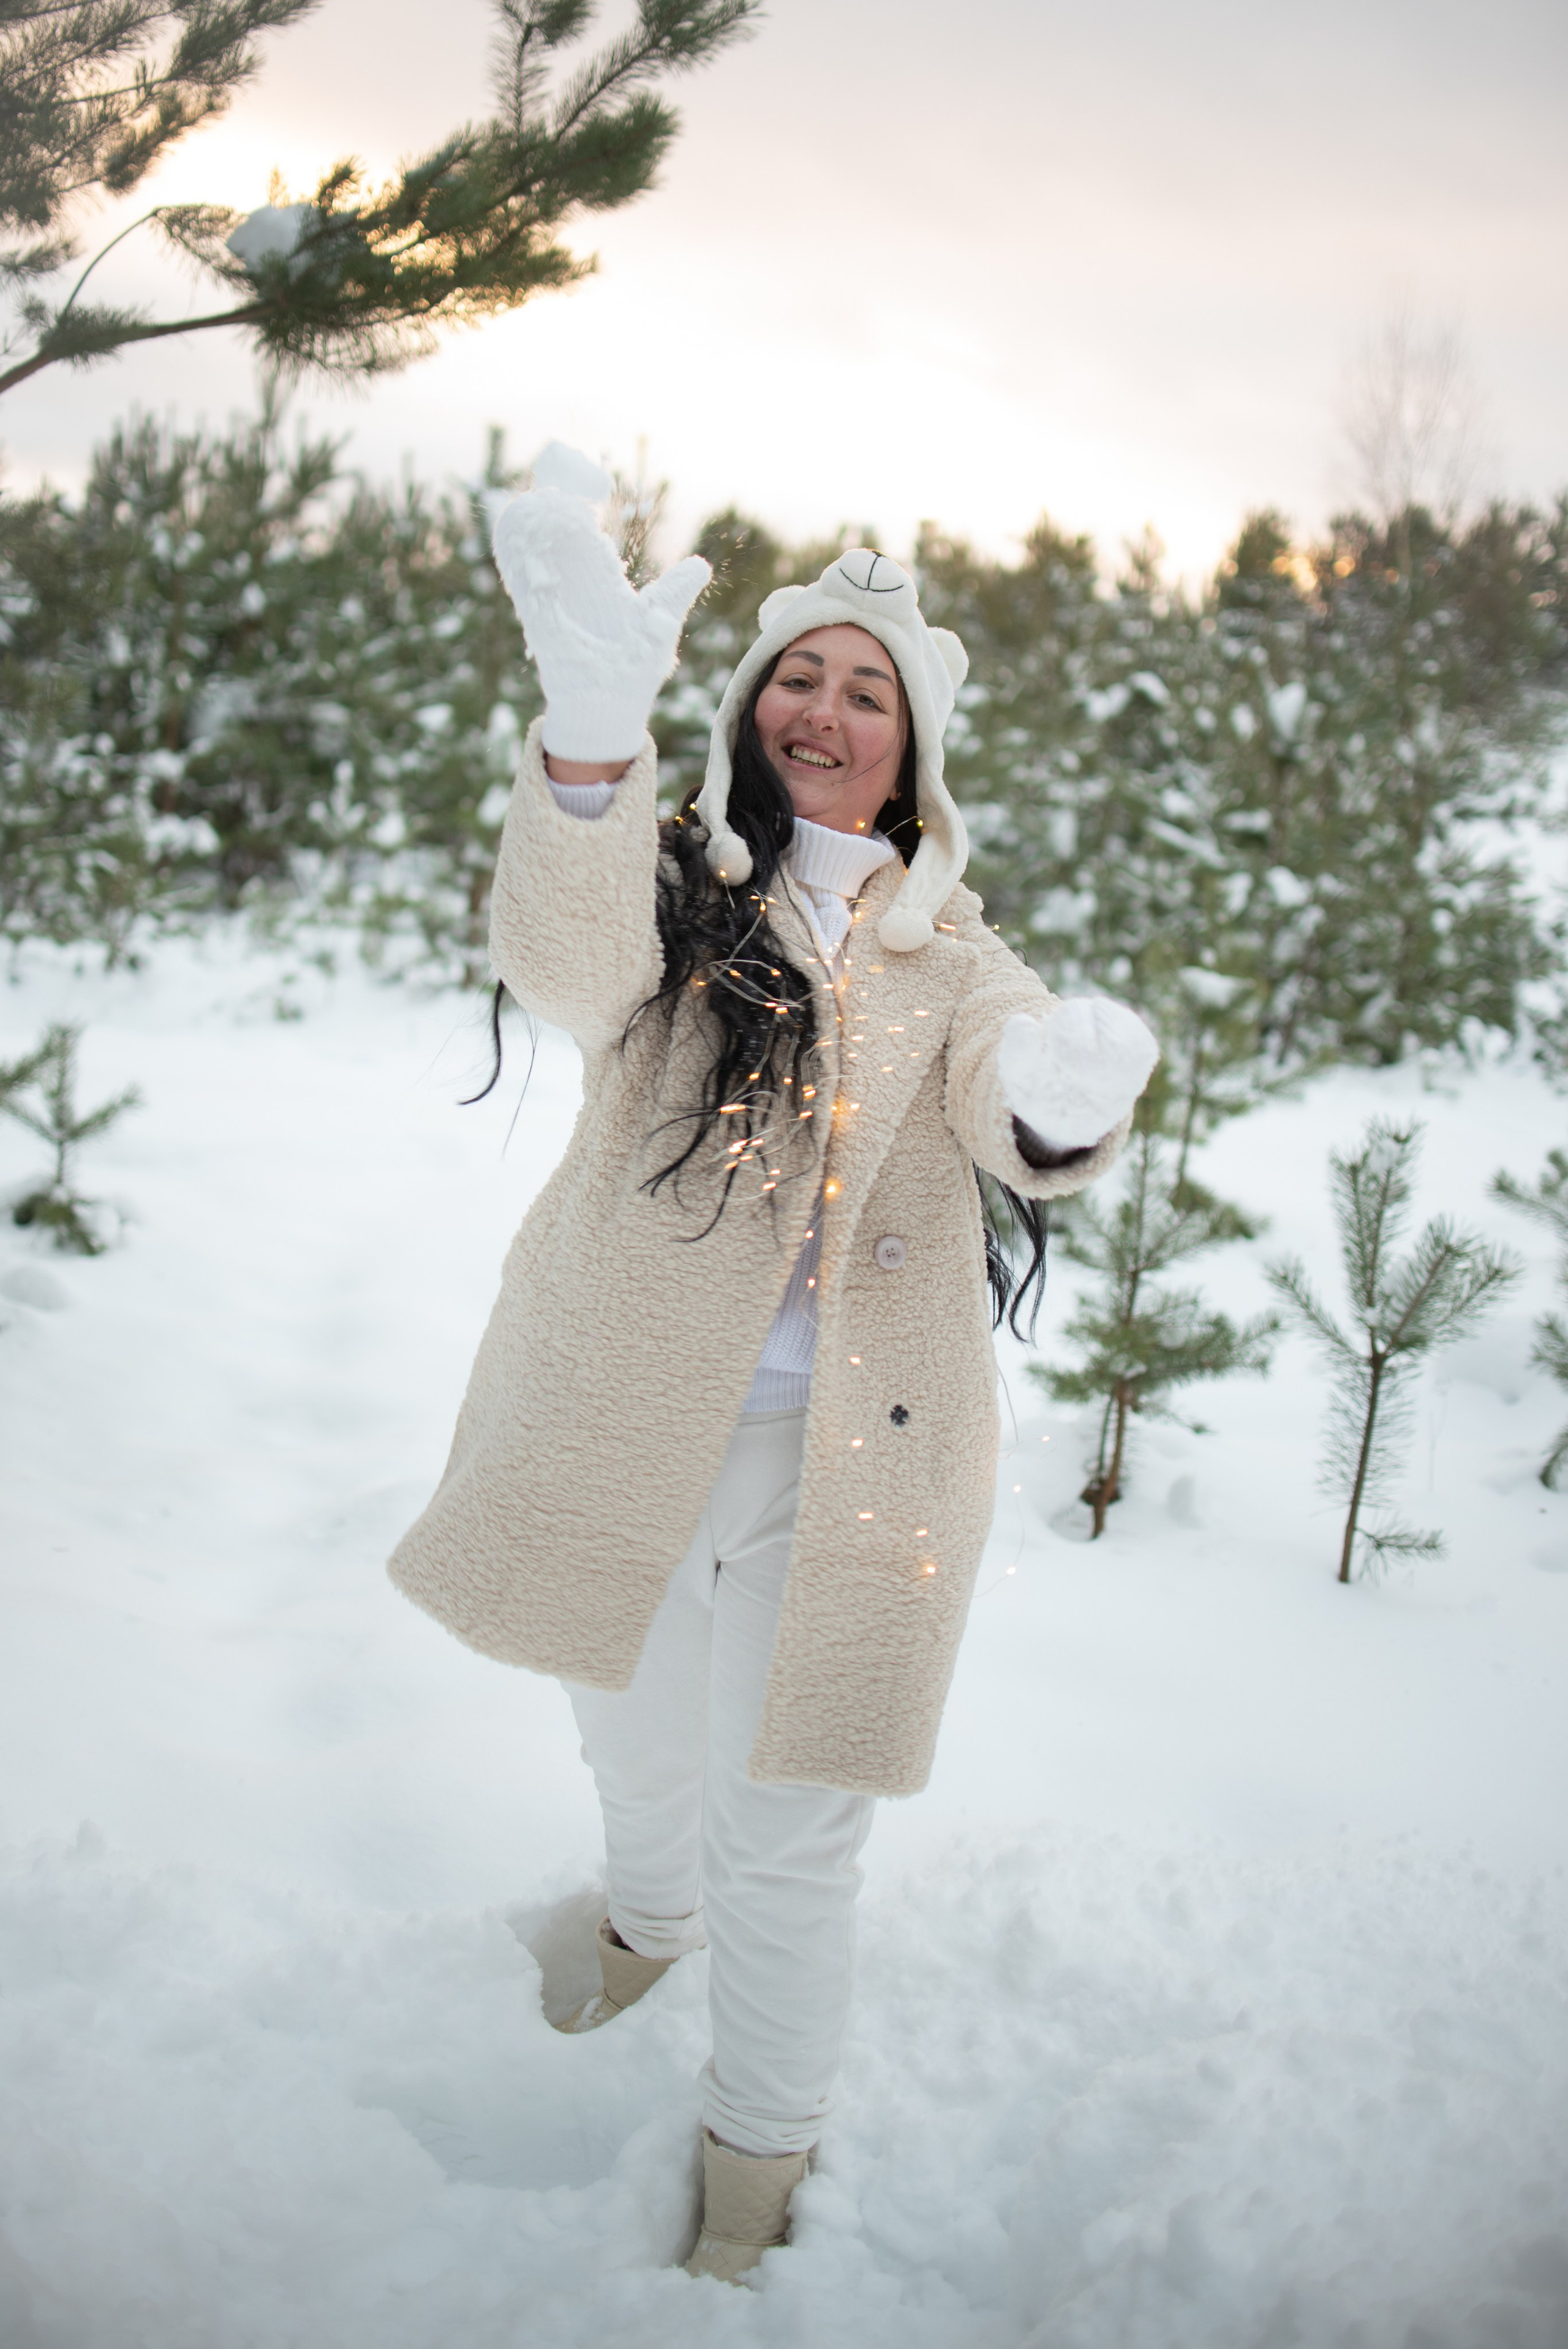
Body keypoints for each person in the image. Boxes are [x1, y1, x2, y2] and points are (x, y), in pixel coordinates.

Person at [388, 444, 1158, 2286]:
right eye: (797, 674)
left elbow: (1004, 1081)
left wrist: (1057, 1104)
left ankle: (748, 2208)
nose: (824, 706)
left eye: (865, 687)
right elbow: (565, 963)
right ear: (748, 710)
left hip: (853, 1474)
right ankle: (641, 1947)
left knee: (790, 1843)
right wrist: (589, 738)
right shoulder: (675, 890)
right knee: (638, 1767)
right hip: (621, 1426)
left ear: (911, 749)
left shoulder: (954, 952)